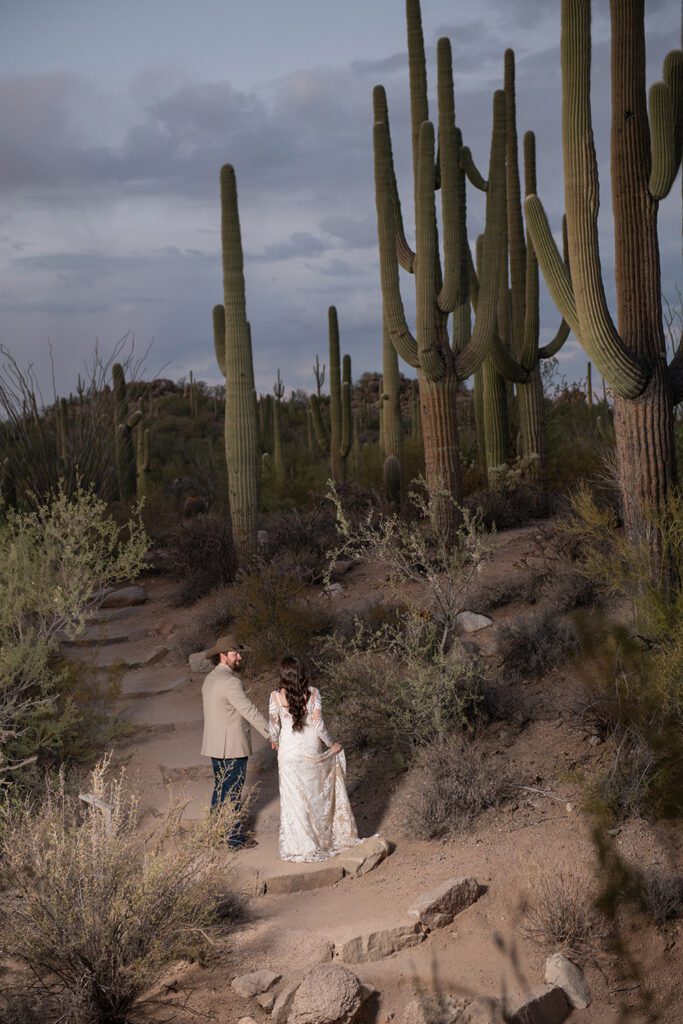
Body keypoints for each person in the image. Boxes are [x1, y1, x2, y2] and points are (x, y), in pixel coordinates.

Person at [269, 656, 360, 862]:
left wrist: (274, 740)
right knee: (314, 796)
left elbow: (274, 726)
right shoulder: (314, 694)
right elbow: (319, 726)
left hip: (288, 753)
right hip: (311, 750)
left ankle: (298, 845)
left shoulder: (275, 696)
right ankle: (319, 841)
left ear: (283, 675)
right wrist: (331, 744)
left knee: (293, 800)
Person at [200, 633, 270, 849]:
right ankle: (234, 839)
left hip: (215, 746)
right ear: (223, 655)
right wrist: (272, 734)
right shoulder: (231, 682)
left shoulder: (210, 678)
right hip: (232, 747)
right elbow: (249, 710)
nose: (239, 657)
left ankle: (214, 834)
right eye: (235, 654)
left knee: (220, 789)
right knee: (232, 793)